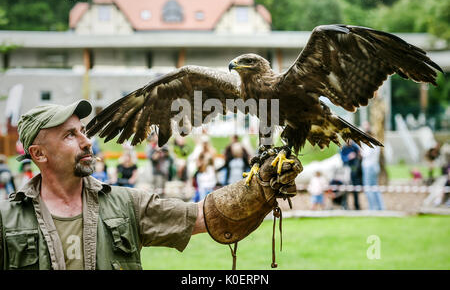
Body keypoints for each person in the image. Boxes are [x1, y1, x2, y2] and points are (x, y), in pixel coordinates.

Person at [0, 100, 302, 270]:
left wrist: (258, 186)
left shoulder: (125, 204)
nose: (86, 141)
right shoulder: (7, 220)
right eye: (70, 136)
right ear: (39, 154)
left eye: (83, 131)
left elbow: (203, 215)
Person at [361, 141, 385, 211]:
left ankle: (373, 208)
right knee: (375, 188)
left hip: (368, 167)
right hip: (375, 166)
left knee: (368, 188)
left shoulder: (369, 144)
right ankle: (381, 207)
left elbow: (365, 154)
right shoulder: (376, 144)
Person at [340, 141, 362, 210]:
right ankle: (344, 205)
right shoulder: (342, 148)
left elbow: (359, 156)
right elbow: (342, 159)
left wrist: (358, 155)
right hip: (346, 168)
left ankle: (357, 205)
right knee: (346, 187)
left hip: (354, 168)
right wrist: (349, 157)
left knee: (355, 187)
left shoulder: (355, 147)